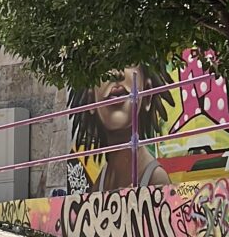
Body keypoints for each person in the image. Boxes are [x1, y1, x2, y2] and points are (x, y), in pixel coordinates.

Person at [69, 63, 172, 192]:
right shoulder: (100, 183)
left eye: (128, 62)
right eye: (102, 65)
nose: (116, 74)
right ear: (91, 101)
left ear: (148, 96)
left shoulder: (156, 180)